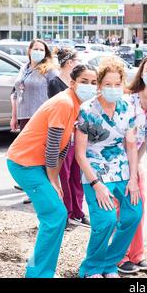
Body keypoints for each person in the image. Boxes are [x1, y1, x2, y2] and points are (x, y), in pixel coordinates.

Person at [6, 64, 98, 278]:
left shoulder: (76, 104)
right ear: (73, 83)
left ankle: (41, 269)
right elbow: (53, 146)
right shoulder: (65, 103)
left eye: (94, 83)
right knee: (55, 215)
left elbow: (63, 147)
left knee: (55, 215)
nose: (90, 86)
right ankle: (38, 273)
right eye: (84, 81)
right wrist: (53, 180)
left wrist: (54, 181)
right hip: (24, 164)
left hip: (35, 164)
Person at [74, 56, 142, 279]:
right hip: (95, 170)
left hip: (122, 169)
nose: (113, 89)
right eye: (107, 84)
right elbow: (80, 153)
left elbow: (131, 146)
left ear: (123, 84)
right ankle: (91, 268)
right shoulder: (87, 110)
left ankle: (110, 264)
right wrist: (96, 184)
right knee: (106, 221)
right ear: (100, 85)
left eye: (117, 84)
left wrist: (133, 179)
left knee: (133, 215)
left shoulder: (127, 107)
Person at [116, 56, 147, 275]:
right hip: (116, 162)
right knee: (122, 211)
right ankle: (120, 256)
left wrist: (137, 165)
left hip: (135, 161)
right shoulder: (128, 100)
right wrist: (127, 167)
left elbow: (145, 140)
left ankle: (137, 254)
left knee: (139, 208)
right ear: (141, 73)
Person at [10, 39, 59, 204]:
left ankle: (41, 189)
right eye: (36, 48)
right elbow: (16, 92)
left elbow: (58, 91)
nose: (38, 52)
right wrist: (14, 115)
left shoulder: (49, 70)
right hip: (25, 115)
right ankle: (32, 188)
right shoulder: (24, 68)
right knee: (27, 155)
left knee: (39, 155)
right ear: (29, 50)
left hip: (40, 117)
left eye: (42, 49)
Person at [47, 48, 90, 228]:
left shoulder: (82, 85)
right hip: (65, 136)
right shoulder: (55, 83)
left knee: (77, 176)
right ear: (70, 62)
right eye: (77, 59)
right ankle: (67, 212)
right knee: (64, 175)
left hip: (79, 135)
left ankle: (79, 211)